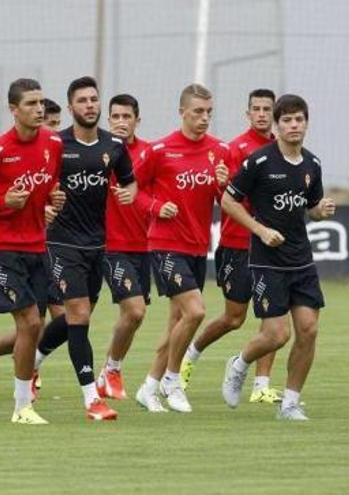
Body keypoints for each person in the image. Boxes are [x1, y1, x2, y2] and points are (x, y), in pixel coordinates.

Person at [0, 78, 65, 425]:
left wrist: (53, 197)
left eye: (42, 103)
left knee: (38, 326)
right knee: (31, 322)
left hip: (38, 244)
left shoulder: (53, 143)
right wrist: (1, 202)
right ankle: (22, 407)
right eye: (31, 104)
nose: (39, 110)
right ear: (13, 110)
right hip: (3, 248)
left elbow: (50, 184)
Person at [222, 94, 335, 421]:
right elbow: (229, 202)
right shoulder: (259, 161)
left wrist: (321, 211)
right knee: (276, 334)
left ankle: (290, 403)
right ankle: (239, 363)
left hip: (301, 259)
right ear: (276, 126)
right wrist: (259, 230)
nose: (293, 125)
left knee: (309, 330)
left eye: (299, 119)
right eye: (286, 120)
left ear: (306, 123)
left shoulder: (312, 164)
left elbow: (311, 209)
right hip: (266, 259)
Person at [29, 77, 136, 420]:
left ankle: (32, 360)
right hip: (61, 243)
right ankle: (92, 399)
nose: (90, 105)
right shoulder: (54, 145)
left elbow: (129, 182)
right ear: (71, 106)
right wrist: (43, 205)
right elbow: (34, 184)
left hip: (97, 245)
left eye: (94, 99)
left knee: (80, 315)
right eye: (82, 100)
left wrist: (128, 193)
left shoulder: (115, 145)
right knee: (79, 315)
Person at [180, 88, 283, 405]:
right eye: (257, 108)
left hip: (272, 247)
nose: (263, 114)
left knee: (274, 315)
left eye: (268, 108)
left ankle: (261, 385)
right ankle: (190, 355)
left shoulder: (283, 149)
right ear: (248, 113)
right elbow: (223, 196)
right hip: (237, 244)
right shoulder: (235, 148)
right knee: (234, 318)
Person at [132, 83, 229, 413]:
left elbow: (226, 202)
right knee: (196, 311)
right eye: (198, 112)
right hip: (165, 244)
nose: (204, 119)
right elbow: (132, 190)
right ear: (182, 112)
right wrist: (156, 207)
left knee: (177, 322)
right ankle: (173, 380)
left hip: (198, 247)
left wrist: (224, 184)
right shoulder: (160, 150)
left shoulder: (219, 151)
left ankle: (148, 387)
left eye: (209, 113)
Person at [96, 93, 151, 400]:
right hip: (108, 244)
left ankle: (110, 369)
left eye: (126, 117)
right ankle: (112, 371)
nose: (120, 122)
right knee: (134, 309)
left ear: (136, 120)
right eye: (115, 116)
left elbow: (158, 189)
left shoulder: (150, 153)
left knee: (134, 316)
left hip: (143, 245)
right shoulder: (98, 151)